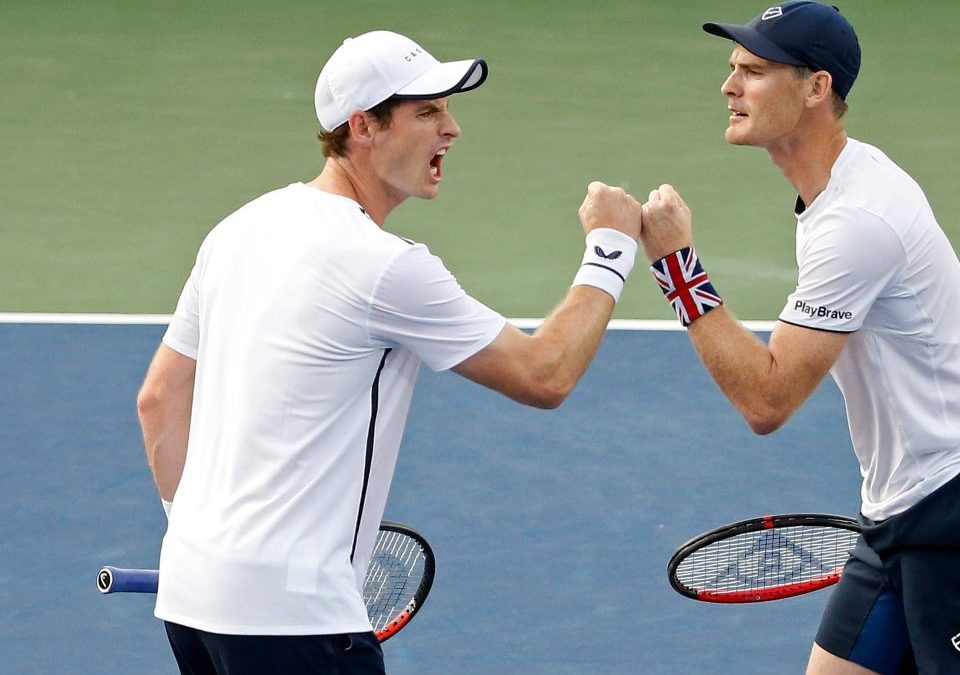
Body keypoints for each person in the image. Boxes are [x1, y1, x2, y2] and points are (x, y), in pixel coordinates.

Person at [135, 30, 642, 675]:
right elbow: (544, 374)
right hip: (296, 620)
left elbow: (159, 400)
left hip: (191, 602)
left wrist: (197, 540)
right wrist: (610, 248)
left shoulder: (238, 229)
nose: (451, 129)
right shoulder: (384, 267)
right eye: (427, 112)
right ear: (363, 127)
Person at [638, 3, 960, 673]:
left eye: (755, 70)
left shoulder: (857, 220)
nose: (729, 85)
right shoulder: (839, 190)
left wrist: (677, 267)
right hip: (899, 516)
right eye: (733, 68)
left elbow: (766, 399)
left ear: (816, 88)